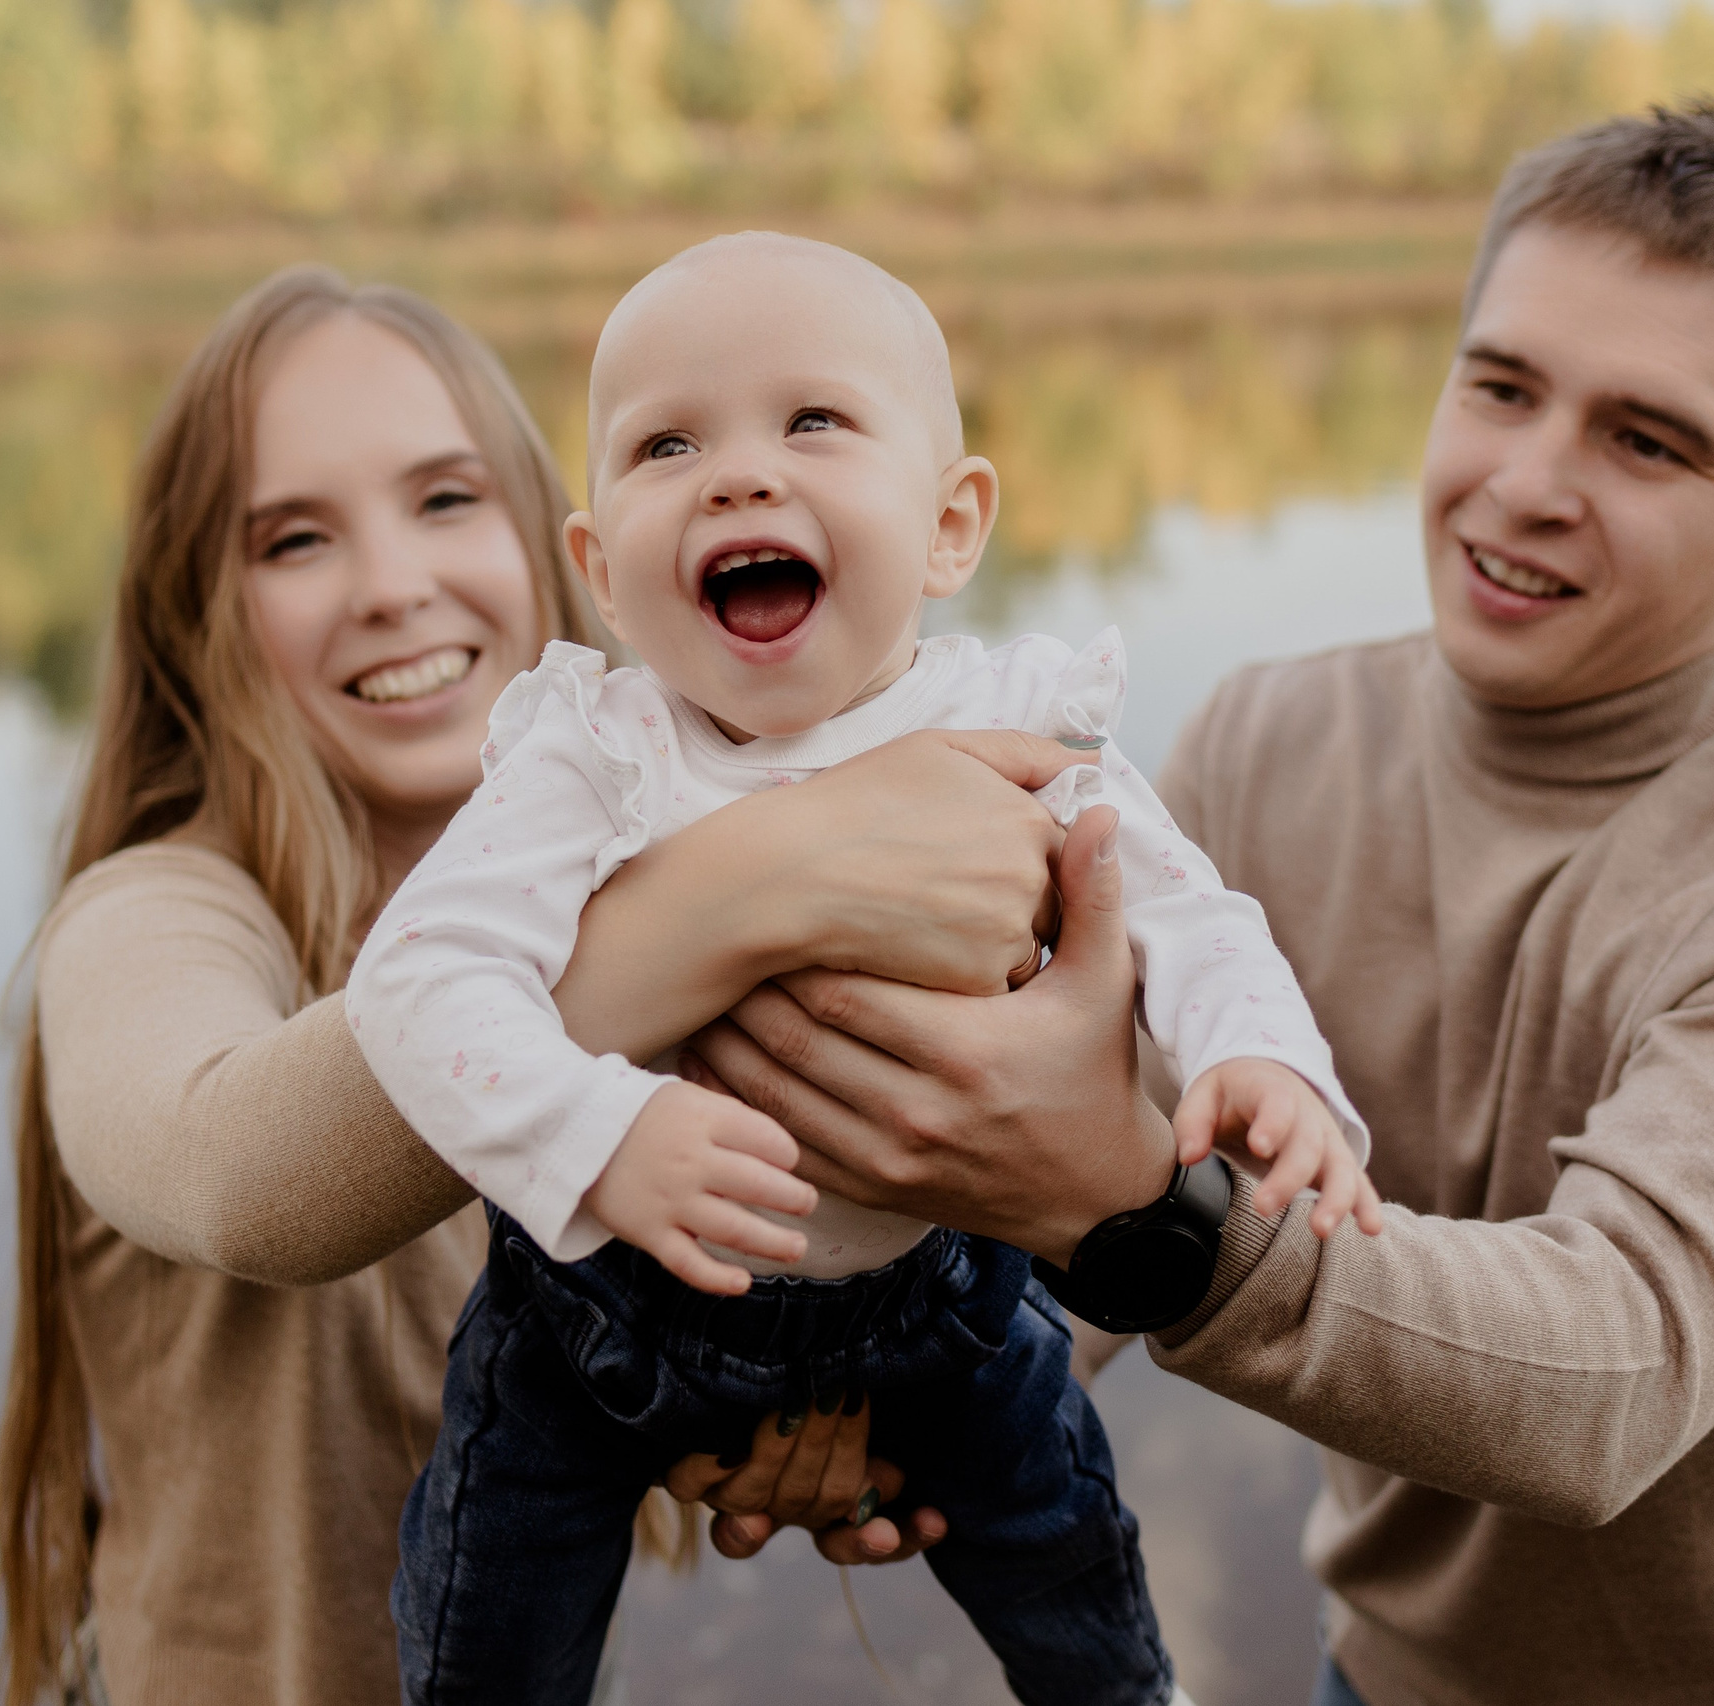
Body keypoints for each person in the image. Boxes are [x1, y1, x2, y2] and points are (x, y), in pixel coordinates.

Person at [669, 106, 1714, 1705]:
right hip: (1390, 1668)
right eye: (1500, 386)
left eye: (1647, 439)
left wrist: (1146, 1222)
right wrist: (905, 1397)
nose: (1529, 481)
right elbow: (1054, 1166)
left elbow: (1610, 1378)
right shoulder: (1264, 742)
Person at [0, 265, 1079, 1706]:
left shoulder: (627, 867)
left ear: (563, 550)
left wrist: (834, 1392)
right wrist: (770, 875)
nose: (393, 586)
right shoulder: (150, 914)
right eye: (293, 538)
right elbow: (241, 1171)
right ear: (198, 602)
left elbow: (1041, 1178)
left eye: (447, 500)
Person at [346, 234, 1379, 1706]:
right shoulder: (593, 752)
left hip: (934, 1291)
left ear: (952, 524)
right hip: (605, 1311)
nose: (738, 475)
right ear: (599, 570)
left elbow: (1189, 917)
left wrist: (1263, 1057)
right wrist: (601, 1134)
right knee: (491, 1604)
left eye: (812, 421)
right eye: (667, 442)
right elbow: (417, 979)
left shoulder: (1011, 723)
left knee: (1064, 1557)